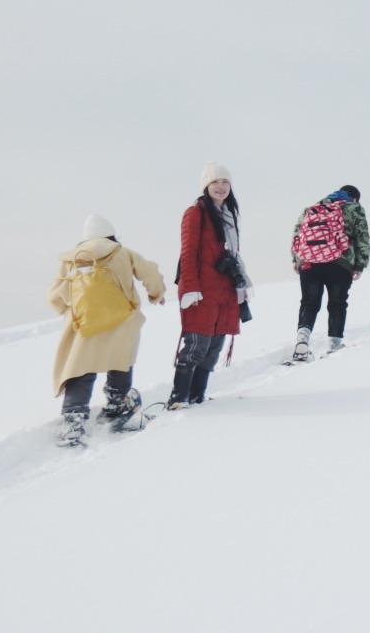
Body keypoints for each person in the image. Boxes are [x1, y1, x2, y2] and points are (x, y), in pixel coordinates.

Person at [47, 214, 166, 446]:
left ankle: (73, 420)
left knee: (81, 368)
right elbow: (150, 274)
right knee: (120, 361)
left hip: (84, 323)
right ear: (112, 235)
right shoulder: (123, 252)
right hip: (122, 319)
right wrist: (156, 293)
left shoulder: (72, 258)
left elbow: (54, 296)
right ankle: (117, 406)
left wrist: (68, 309)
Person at [172, 162, 252, 408]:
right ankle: (178, 399)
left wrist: (242, 284)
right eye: (215, 182)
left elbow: (234, 254)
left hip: (226, 290)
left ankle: (197, 397)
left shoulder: (229, 216)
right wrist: (190, 288)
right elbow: (188, 252)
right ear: (206, 186)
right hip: (202, 290)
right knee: (197, 345)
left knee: (214, 348)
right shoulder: (195, 213)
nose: (220, 187)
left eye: (225, 182)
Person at [290, 185, 370, 361]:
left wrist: (297, 260)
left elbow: (297, 234)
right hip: (340, 263)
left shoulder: (312, 208)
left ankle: (302, 339)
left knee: (309, 302)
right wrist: (360, 264)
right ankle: (334, 344)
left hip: (310, 262)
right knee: (337, 303)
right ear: (354, 198)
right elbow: (362, 236)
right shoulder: (354, 208)